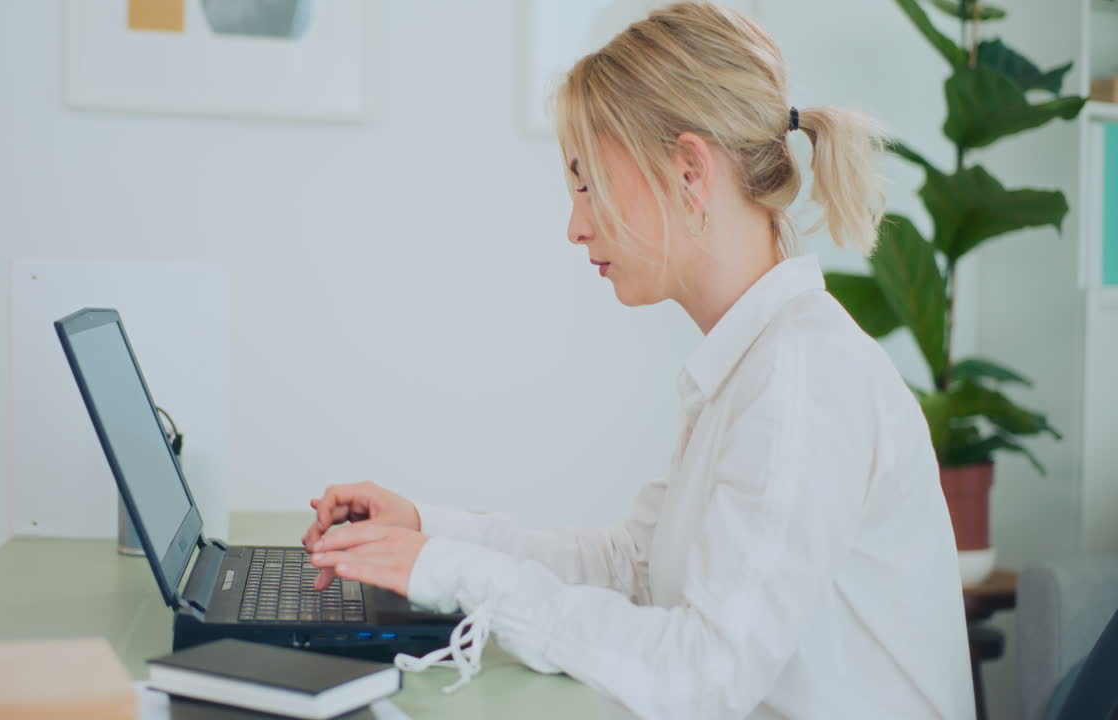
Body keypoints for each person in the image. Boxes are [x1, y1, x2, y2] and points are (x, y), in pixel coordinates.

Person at [302, 3, 975, 718]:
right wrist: (428, 534)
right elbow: (640, 568)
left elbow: (704, 675)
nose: (574, 224)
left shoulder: (801, 384)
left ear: (689, 171)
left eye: (588, 182)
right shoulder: (756, 362)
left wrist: (449, 570)